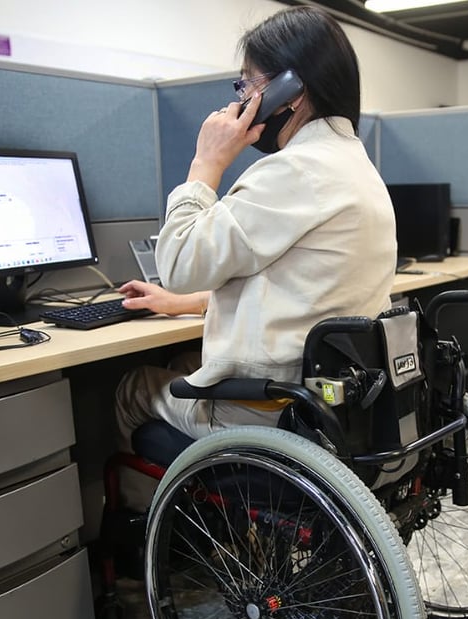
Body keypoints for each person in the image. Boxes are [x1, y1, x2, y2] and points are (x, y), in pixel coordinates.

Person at [112, 6, 397, 502]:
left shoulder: (293, 172)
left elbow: (176, 264)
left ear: (291, 89)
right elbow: (297, 286)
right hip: (336, 406)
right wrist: (182, 304)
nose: (241, 99)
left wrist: (206, 163)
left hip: (274, 415)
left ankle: (162, 548)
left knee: (134, 386)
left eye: (247, 85)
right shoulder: (354, 165)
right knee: (183, 357)